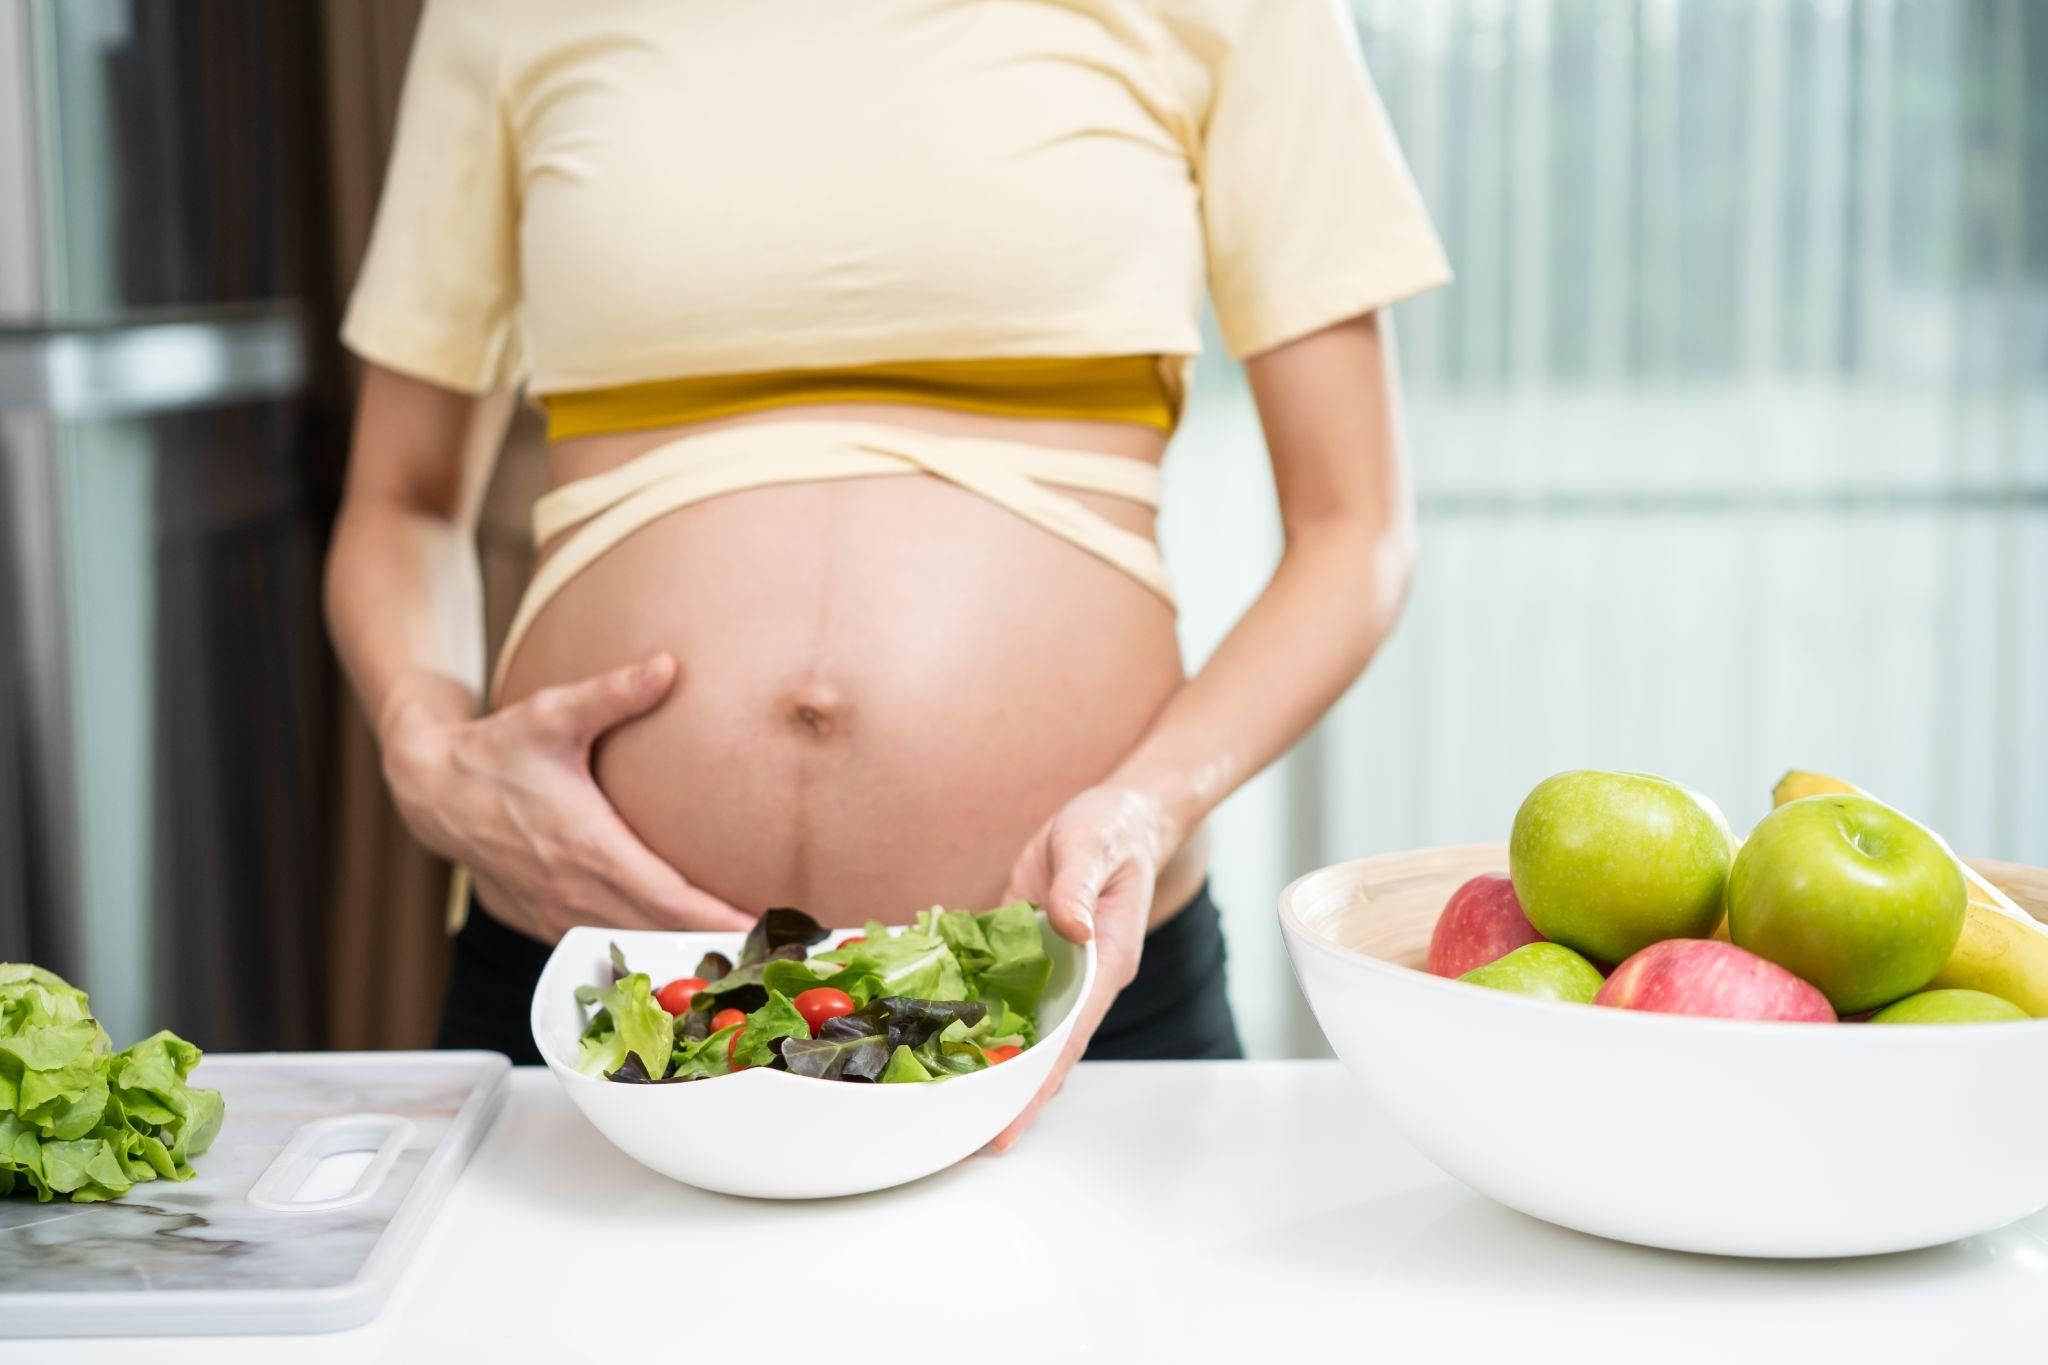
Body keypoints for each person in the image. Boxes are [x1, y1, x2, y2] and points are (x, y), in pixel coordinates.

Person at [324, 0, 1447, 1145]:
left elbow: (1351, 525)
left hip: (1061, 987)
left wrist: (1148, 806)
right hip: (601, 980)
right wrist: (427, 754)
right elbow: (399, 502)